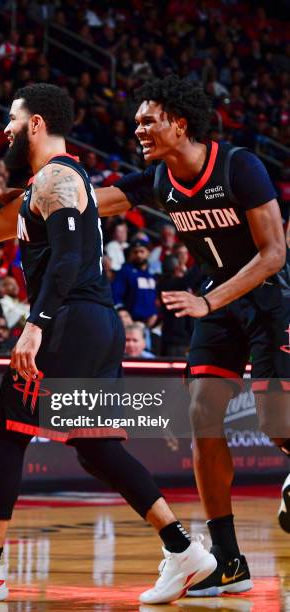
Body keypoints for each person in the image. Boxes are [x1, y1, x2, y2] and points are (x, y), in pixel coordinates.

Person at [0, 86, 216, 605]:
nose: (5, 129)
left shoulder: (58, 176)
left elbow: (70, 259)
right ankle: (183, 549)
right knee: (96, 447)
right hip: (89, 320)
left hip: (70, 318)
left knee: (8, 431)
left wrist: (36, 324)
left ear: (36, 123)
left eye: (12, 120)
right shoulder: (43, 184)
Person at [94, 75, 289, 594]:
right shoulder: (159, 179)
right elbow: (94, 200)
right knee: (203, 411)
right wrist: (21, 196)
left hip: (270, 297)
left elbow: (273, 254)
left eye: (147, 120)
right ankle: (228, 561)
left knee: (279, 427)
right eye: (136, 122)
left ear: (179, 124)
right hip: (219, 301)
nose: (138, 129)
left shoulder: (239, 165)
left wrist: (209, 301)